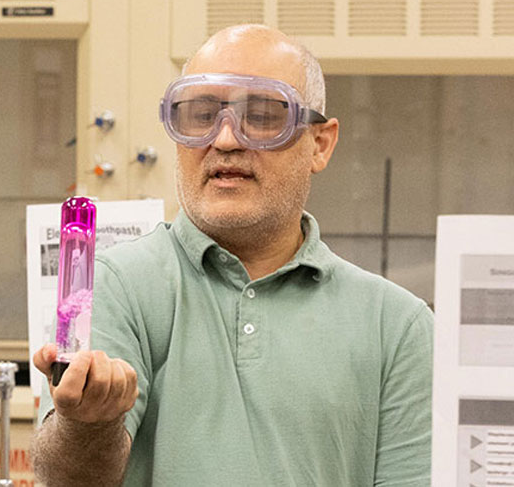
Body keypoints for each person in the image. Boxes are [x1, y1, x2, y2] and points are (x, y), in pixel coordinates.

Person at [29, 24, 432, 486]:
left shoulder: (397, 326)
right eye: (199, 115)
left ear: (319, 143)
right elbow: (67, 481)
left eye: (262, 116)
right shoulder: (115, 285)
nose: (224, 140)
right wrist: (89, 426)